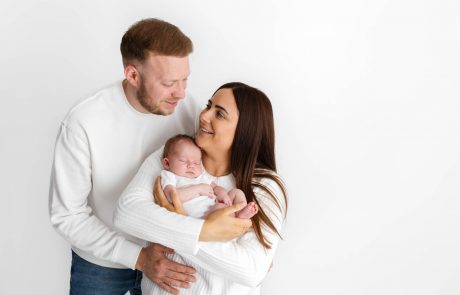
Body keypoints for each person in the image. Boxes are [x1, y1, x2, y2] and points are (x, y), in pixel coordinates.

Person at [48, 18, 250, 295]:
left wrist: (255, 247)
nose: (181, 93)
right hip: (102, 265)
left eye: (185, 79)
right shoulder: (83, 121)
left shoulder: (189, 108)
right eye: (169, 83)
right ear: (133, 75)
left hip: (175, 257)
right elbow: (68, 215)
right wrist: (138, 257)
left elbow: (216, 166)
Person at [114, 82, 288, 294]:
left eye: (220, 114)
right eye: (208, 106)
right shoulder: (179, 154)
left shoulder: (265, 186)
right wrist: (204, 231)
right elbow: (126, 213)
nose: (204, 115)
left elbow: (251, 270)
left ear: (245, 130)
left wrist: (175, 218)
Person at [160, 134, 259, 219]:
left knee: (236, 192)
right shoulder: (170, 176)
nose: (191, 166)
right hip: (204, 218)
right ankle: (236, 218)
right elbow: (171, 197)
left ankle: (240, 212)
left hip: (218, 206)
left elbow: (215, 187)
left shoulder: (201, 176)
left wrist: (223, 194)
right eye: (183, 161)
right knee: (219, 209)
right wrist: (198, 189)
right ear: (167, 163)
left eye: (196, 162)